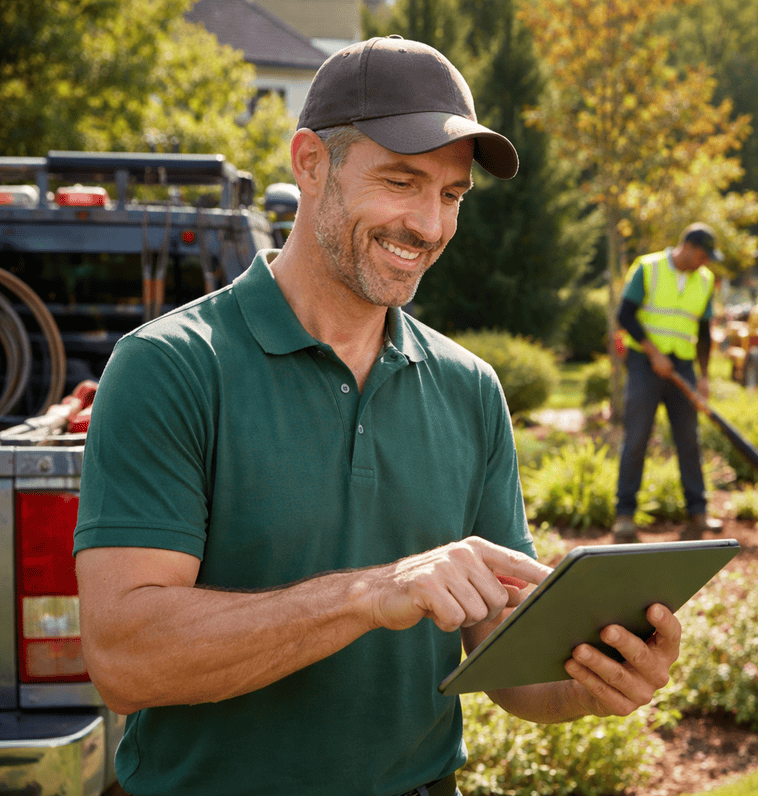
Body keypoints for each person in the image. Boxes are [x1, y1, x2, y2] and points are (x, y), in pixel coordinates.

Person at [72, 37, 681, 796]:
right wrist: (369, 595)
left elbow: (506, 660)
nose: (429, 225)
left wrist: (590, 683)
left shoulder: (469, 388)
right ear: (310, 163)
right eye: (402, 181)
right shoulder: (171, 367)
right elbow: (127, 663)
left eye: (451, 195)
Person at [613, 223, 723, 543]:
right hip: (645, 365)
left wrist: (703, 377)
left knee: (689, 438)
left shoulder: (705, 280)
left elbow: (703, 332)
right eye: (702, 255)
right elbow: (625, 315)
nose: (705, 262)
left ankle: (698, 512)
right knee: (636, 438)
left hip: (683, 367)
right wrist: (653, 353)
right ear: (687, 246)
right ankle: (624, 515)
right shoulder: (648, 268)